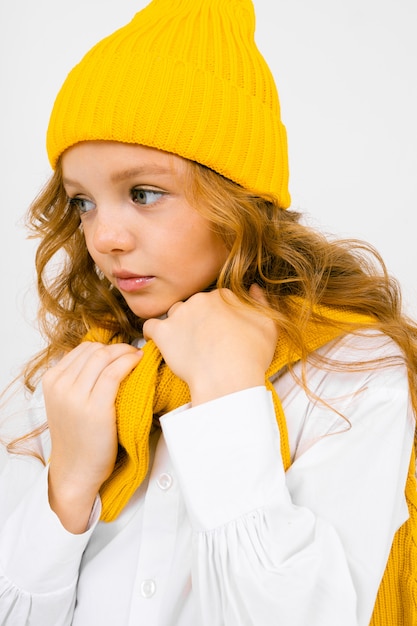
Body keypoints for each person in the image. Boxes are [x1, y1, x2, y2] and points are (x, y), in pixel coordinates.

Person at [0, 0, 416, 624]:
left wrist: (227, 397)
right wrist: (67, 486)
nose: (104, 236)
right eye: (82, 201)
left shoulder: (349, 375)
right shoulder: (76, 377)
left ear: (238, 199)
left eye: (144, 193)